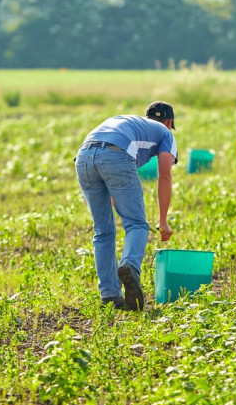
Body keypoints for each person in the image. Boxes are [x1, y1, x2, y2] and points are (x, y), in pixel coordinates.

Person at [75, 101, 177, 311]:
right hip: (117, 155)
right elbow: (165, 175)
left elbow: (101, 163)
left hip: (83, 157)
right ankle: (130, 267)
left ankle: (110, 295)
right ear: (169, 122)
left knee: (103, 232)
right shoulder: (165, 133)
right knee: (137, 225)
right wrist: (163, 221)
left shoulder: (130, 123)